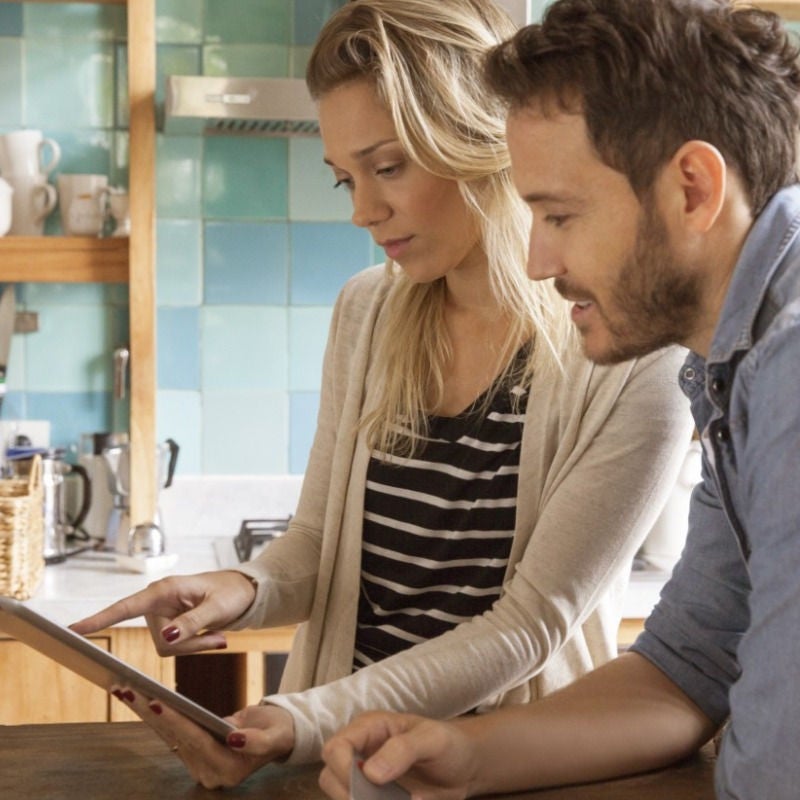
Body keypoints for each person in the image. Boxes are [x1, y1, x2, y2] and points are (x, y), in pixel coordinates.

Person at [71, 0, 692, 790]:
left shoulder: (634, 356)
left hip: (511, 769)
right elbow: (316, 543)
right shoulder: (365, 312)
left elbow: (528, 629)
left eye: (388, 166)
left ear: (479, 138)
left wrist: (306, 717)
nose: (364, 211)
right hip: (339, 766)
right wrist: (244, 588)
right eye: (345, 180)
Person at [317, 1, 800, 798]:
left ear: (693, 189)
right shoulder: (732, 369)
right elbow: (685, 667)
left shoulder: (789, 363)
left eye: (560, 214)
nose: (539, 260)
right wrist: (467, 752)